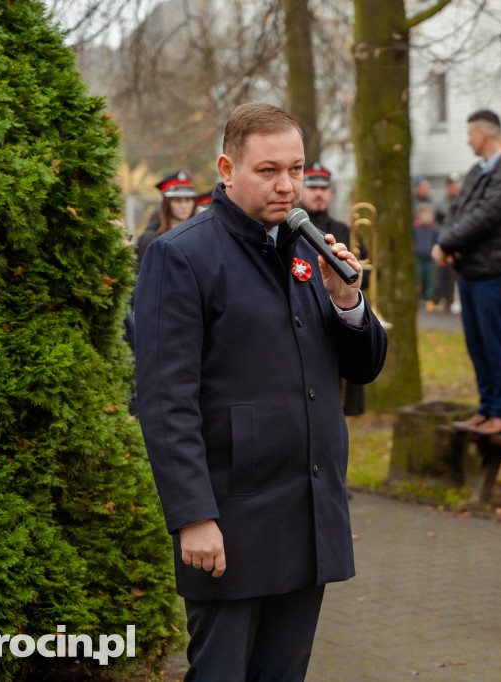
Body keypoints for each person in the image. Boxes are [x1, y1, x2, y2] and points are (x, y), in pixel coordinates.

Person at [134, 103, 388, 681]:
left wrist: (347, 301)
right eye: (269, 170)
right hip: (230, 523)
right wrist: (193, 516)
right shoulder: (181, 256)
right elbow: (165, 401)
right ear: (227, 169)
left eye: (296, 169)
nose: (288, 185)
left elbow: (365, 368)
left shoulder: (306, 246)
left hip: (308, 516)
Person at [432, 109, 501, 435]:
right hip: (472, 268)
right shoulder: (478, 170)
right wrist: (447, 242)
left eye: (470, 133)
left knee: (493, 341)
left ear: (485, 133)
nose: (468, 139)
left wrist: (446, 244)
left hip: (496, 270)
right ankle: (487, 407)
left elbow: (488, 215)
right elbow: (459, 211)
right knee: (476, 343)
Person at [298, 160, 371, 417]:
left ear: (330, 193)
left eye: (323, 188)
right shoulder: (290, 229)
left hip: (339, 312)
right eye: (312, 187)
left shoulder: (344, 230)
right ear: (301, 190)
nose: (318, 193)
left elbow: (363, 271)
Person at [135, 170, 198, 265]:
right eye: (178, 200)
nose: (184, 205)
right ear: (167, 204)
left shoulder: (201, 232)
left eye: (188, 200)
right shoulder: (151, 238)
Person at [435, 172, 463, 311]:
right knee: (444, 273)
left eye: (456, 185)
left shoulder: (463, 200)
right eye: (452, 185)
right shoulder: (441, 203)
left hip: (460, 243)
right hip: (446, 242)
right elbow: (439, 224)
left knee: (459, 273)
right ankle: (444, 297)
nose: (455, 188)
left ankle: (457, 300)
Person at [413, 203, 439, 311]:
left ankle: (429, 300)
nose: (429, 217)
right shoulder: (415, 228)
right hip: (418, 258)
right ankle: (416, 300)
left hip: (430, 258)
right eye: (427, 214)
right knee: (417, 279)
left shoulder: (434, 229)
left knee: (430, 280)